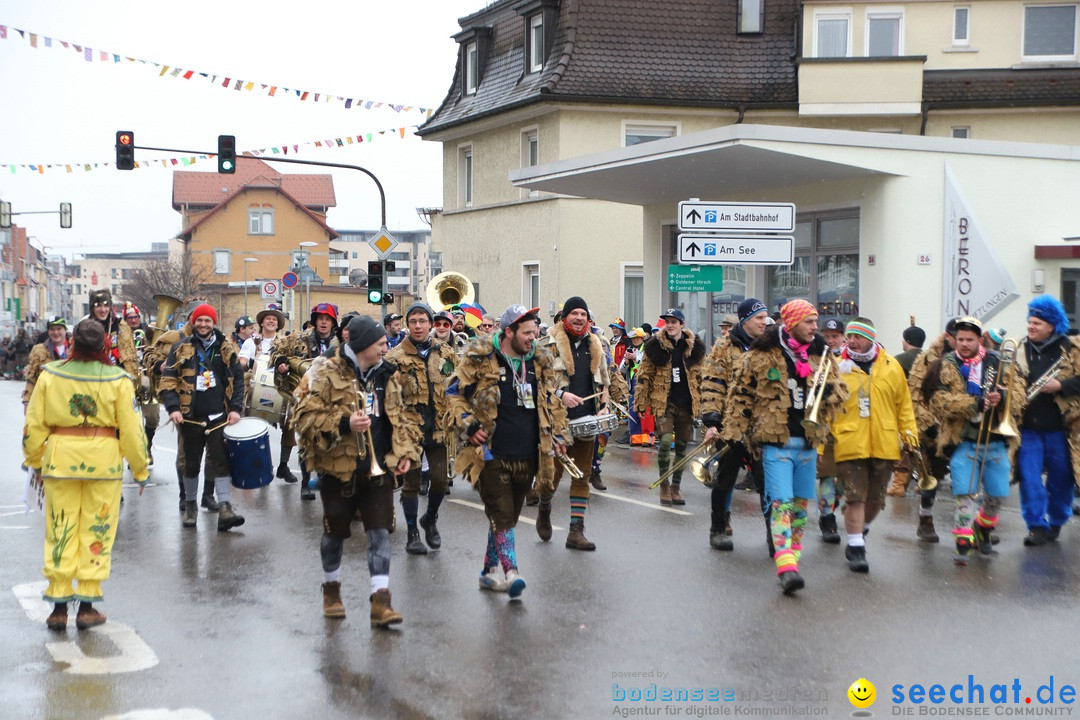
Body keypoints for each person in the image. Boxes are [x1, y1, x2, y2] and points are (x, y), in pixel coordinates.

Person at [23, 319, 149, 631]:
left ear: (73, 343)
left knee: (60, 529)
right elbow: (132, 431)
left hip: (59, 462)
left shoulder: (50, 376)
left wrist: (34, 461)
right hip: (103, 465)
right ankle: (88, 606)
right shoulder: (119, 380)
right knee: (98, 530)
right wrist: (140, 468)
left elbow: (34, 423)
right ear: (105, 345)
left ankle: (58, 607)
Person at [291, 315, 415, 626]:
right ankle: (331, 589)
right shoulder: (322, 370)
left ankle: (381, 601)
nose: (387, 346)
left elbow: (401, 418)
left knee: (379, 533)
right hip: (338, 468)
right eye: (380, 343)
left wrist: (404, 453)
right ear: (361, 346)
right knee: (334, 535)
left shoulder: (389, 374)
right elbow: (302, 416)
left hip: (378, 470)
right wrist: (345, 423)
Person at [720, 299, 846, 595]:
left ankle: (793, 560)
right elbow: (740, 393)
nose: (816, 329)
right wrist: (731, 430)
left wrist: (828, 391)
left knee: (801, 507)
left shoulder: (822, 353)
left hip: (808, 443)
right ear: (791, 323)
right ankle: (786, 568)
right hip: (775, 443)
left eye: (816, 322)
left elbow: (841, 390)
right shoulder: (762, 353)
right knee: (781, 504)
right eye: (809, 322)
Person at [447, 305, 569, 598]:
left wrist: (560, 433)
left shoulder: (540, 360)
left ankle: (488, 573)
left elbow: (552, 401)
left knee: (509, 518)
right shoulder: (479, 357)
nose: (533, 337)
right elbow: (453, 395)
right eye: (527, 333)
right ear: (509, 332)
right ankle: (511, 572)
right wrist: (469, 424)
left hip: (528, 455)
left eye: (536, 331)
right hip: (490, 453)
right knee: (501, 514)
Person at [930, 316, 1025, 564]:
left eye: (969, 340)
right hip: (964, 440)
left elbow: (1019, 394)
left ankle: (982, 529)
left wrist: (1002, 400)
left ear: (979, 340)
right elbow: (939, 402)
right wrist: (976, 403)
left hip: (995, 440)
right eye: (960, 339)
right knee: (964, 493)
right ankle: (963, 541)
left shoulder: (998, 361)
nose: (963, 344)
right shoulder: (946, 364)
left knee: (997, 495)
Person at [830, 318, 918, 572]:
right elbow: (825, 408)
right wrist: (823, 444)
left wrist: (910, 438)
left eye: (858, 336)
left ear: (870, 337)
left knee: (876, 501)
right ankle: (856, 547)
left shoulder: (892, 366)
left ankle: (861, 529)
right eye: (850, 336)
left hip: (885, 442)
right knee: (856, 497)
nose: (852, 341)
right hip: (849, 440)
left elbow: (904, 406)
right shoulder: (836, 367)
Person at [158, 303, 247, 531]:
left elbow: (238, 380)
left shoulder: (226, 347)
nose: (203, 324)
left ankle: (225, 507)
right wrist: (173, 409)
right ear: (193, 322)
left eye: (208, 320)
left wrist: (236, 409)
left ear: (214, 323)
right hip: (190, 417)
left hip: (219, 417)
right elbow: (168, 380)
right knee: (191, 464)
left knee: (221, 462)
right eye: (199, 320)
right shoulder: (180, 347)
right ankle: (190, 507)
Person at [538, 296, 610, 549]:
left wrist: (604, 407)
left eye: (583, 314)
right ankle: (544, 510)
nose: (579, 318)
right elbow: (537, 383)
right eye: (574, 313)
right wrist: (560, 395)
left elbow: (604, 381)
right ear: (565, 316)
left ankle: (575, 532)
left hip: (586, 420)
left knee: (582, 475)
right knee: (553, 476)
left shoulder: (596, 344)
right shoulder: (547, 344)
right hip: (556, 421)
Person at [386, 302, 457, 555]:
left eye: (422, 321)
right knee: (412, 484)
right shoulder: (394, 357)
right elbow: (388, 398)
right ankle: (412, 533)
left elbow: (457, 385)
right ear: (407, 325)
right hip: (409, 431)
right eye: (413, 321)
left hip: (438, 428)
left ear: (430, 324)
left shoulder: (446, 353)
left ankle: (430, 519)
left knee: (439, 481)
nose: (418, 325)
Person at [701, 298, 769, 551]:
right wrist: (711, 422)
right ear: (745, 320)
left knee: (767, 483)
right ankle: (718, 529)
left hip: (763, 428)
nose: (764, 322)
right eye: (759, 318)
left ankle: (775, 536)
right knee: (725, 480)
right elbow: (712, 385)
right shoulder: (724, 347)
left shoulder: (770, 346)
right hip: (731, 425)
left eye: (765, 318)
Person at [1014, 295, 1080, 546]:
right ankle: (1035, 526)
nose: (1031, 327)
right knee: (1029, 478)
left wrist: (1061, 385)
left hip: (1061, 429)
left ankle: (1057, 520)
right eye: (1030, 322)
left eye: (1037, 323)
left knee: (1061, 479)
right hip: (1029, 427)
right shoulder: (1021, 348)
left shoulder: (1072, 348)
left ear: (1051, 325)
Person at [634, 308, 707, 506]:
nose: (670, 325)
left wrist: (706, 404)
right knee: (665, 442)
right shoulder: (655, 346)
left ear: (682, 324)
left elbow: (702, 377)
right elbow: (644, 375)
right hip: (664, 402)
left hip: (686, 404)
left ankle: (676, 486)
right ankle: (664, 485)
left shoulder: (694, 348)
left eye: (674, 321)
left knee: (682, 448)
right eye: (667, 321)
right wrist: (641, 402)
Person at [274, 303, 340, 498]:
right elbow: (277, 350)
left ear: (333, 322)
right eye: (320, 318)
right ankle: (305, 483)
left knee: (328, 440)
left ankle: (324, 479)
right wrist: (280, 362)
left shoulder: (339, 343)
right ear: (314, 321)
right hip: (305, 397)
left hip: (331, 398)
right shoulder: (300, 338)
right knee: (305, 440)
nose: (324, 322)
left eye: (327, 319)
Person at [906, 319, 958, 540]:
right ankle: (925, 519)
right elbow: (915, 395)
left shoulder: (977, 359)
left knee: (971, 477)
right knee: (933, 477)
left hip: (964, 427)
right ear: (948, 337)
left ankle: (974, 526)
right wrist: (929, 426)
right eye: (958, 337)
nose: (963, 342)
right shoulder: (928, 358)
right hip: (934, 429)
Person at [238, 308, 298, 483]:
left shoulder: (286, 343)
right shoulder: (251, 342)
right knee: (250, 424)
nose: (271, 321)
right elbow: (241, 362)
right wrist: (249, 363)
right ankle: (257, 465)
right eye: (268, 319)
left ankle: (283, 466)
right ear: (262, 323)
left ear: (278, 325)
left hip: (281, 389)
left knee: (290, 422)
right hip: (255, 389)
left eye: (274, 319)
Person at [816, 318, 846, 540]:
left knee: (846, 479)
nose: (830, 340)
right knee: (827, 476)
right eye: (826, 336)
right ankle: (827, 519)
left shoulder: (850, 359)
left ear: (843, 337)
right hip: (826, 427)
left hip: (851, 427)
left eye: (834, 336)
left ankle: (834, 502)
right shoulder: (817, 358)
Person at [23, 316, 70, 411]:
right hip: (46, 400)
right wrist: (27, 401)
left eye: (59, 329)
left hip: (70, 399)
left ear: (65, 330)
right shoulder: (39, 350)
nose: (56, 332)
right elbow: (31, 377)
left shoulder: (76, 348)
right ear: (48, 332)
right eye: (52, 329)